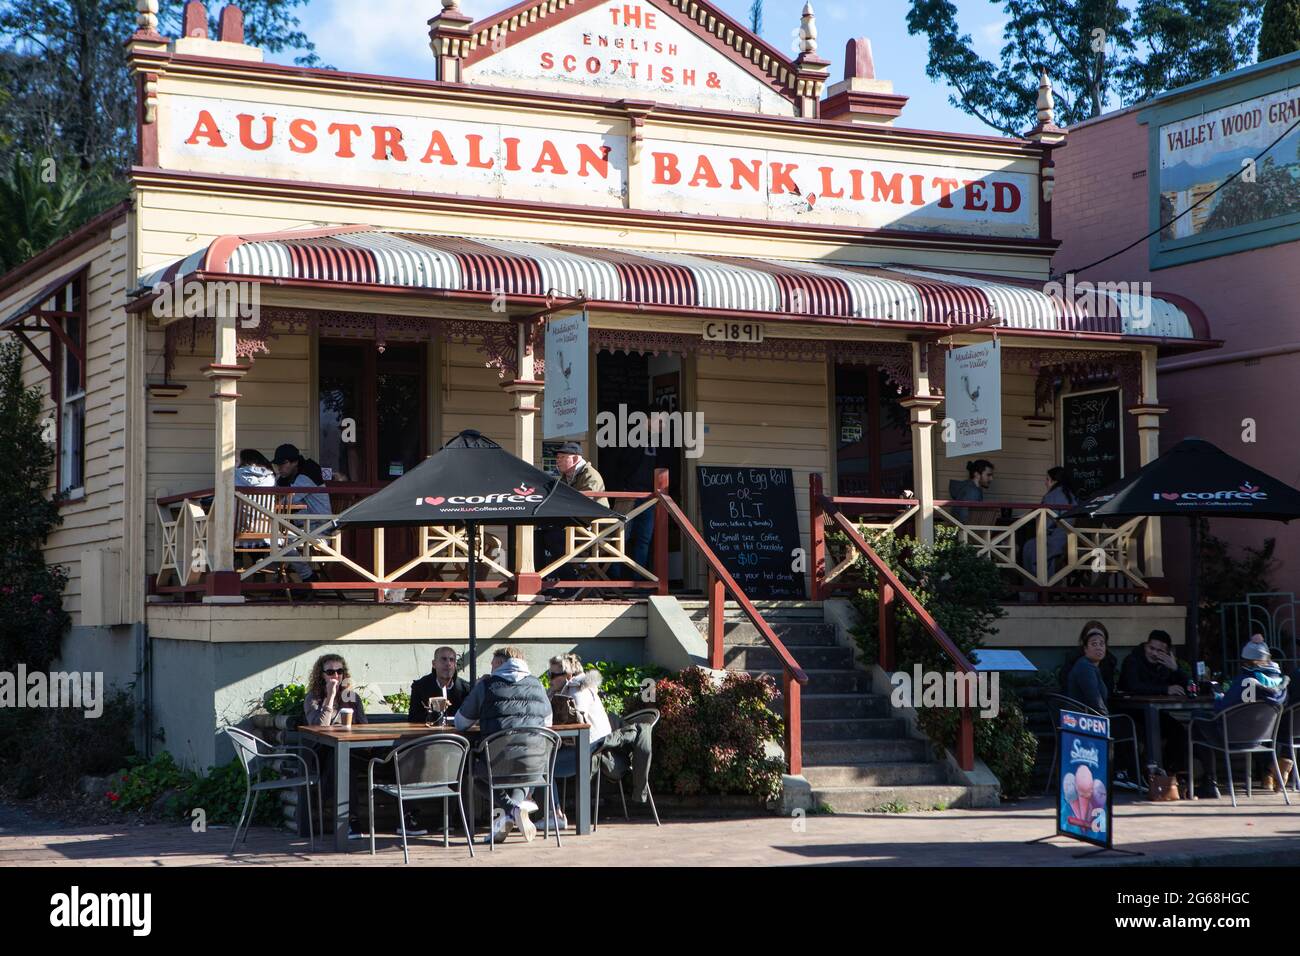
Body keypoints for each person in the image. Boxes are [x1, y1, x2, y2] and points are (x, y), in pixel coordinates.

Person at [454, 646, 552, 844]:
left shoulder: (487, 685)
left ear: (500, 663)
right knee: (524, 772)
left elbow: (461, 723)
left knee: (473, 773)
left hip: (498, 761)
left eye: (492, 664)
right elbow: (548, 723)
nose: (491, 668)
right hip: (536, 765)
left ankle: (510, 811)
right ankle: (513, 812)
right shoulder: (538, 684)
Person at [1193, 641, 1291, 798]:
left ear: (1246, 661)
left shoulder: (1246, 681)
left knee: (1197, 718)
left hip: (1231, 737)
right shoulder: (1280, 683)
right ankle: (1268, 769)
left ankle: (1210, 783)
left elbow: (1221, 708)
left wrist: (1218, 695)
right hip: (1262, 740)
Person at [303, 653, 369, 838]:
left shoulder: (351, 697)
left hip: (353, 749)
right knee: (342, 762)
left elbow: (364, 725)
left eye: (339, 671)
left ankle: (408, 815)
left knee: (352, 761)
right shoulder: (313, 698)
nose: (336, 676)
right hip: (325, 752)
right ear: (321, 675)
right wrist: (330, 697)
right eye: (330, 671)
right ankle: (351, 820)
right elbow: (319, 727)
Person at [543, 654, 612, 830]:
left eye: (552, 675)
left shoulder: (578, 689)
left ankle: (554, 815)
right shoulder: (561, 690)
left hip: (589, 748)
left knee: (541, 766)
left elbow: (577, 720)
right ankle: (550, 813)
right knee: (539, 762)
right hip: (579, 745)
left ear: (568, 675)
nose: (549, 680)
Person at [272, 443, 332, 594]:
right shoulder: (289, 477)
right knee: (272, 540)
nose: (280, 468)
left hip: (320, 529)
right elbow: (278, 497)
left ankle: (308, 578)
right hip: (304, 528)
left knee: (279, 541)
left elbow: (287, 501)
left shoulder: (307, 475)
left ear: (295, 462)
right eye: (278, 465)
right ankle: (280, 583)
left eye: (283, 464)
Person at [1022, 466, 1077, 576]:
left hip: (1057, 541)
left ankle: (1033, 588)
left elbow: (1045, 524)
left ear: (1054, 481)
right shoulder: (1070, 495)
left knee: (1028, 546)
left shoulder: (1053, 495)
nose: (1045, 483)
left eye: (1047, 479)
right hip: (1071, 541)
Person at [409, 646, 472, 723]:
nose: (448, 663)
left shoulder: (466, 689)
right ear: (434, 664)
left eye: (452, 660)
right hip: (429, 733)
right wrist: (433, 714)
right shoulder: (420, 687)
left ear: (455, 665)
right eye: (444, 659)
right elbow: (413, 717)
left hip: (458, 734)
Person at [1119, 630, 1190, 697]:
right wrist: (1165, 689)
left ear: (1167, 652)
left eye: (1160, 650)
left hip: (1164, 705)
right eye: (1151, 648)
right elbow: (1133, 686)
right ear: (1145, 646)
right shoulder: (1133, 660)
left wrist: (1176, 669)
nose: (1154, 653)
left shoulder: (1168, 663)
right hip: (1135, 706)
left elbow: (1188, 687)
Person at [1066, 622, 1112, 714]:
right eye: (1094, 644)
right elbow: (1095, 700)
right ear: (1085, 649)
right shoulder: (1085, 667)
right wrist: (1108, 719)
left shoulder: (1092, 666)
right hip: (1082, 721)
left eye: (1102, 644)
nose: (1099, 647)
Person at [948, 459, 994, 525]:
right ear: (977, 474)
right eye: (988, 475)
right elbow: (965, 520)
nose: (991, 478)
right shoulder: (972, 492)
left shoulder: (970, 488)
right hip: (965, 533)